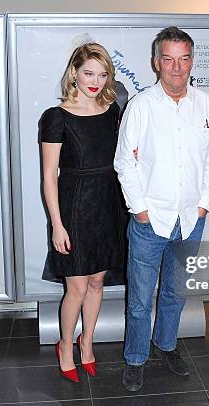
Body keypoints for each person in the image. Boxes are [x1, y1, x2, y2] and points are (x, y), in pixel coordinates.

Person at [114, 27, 209, 391]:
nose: (177, 68)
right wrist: (140, 209)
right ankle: (134, 358)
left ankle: (166, 345)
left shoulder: (207, 105)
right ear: (156, 62)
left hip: (191, 220)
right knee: (141, 298)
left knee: (176, 293)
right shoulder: (141, 106)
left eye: (184, 58)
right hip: (150, 221)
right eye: (169, 59)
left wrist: (205, 204)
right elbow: (124, 162)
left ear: (192, 61)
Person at [39, 43, 125, 383]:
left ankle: (86, 342)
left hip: (107, 201)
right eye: (89, 73)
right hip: (74, 204)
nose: (96, 81)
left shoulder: (113, 111)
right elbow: (49, 176)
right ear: (74, 71)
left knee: (97, 281)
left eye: (103, 75)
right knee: (75, 287)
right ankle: (65, 345)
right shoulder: (55, 117)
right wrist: (57, 225)